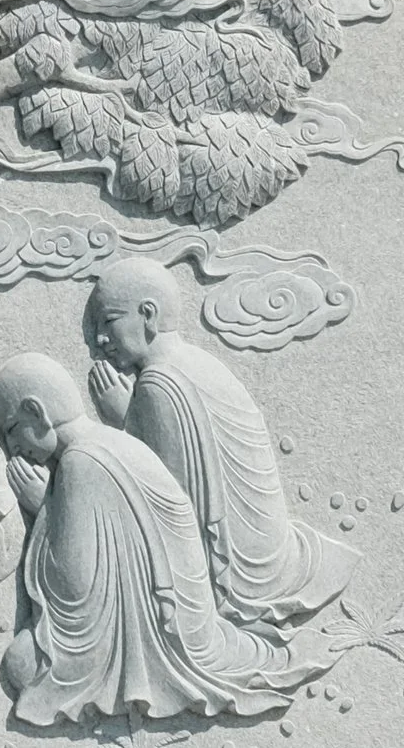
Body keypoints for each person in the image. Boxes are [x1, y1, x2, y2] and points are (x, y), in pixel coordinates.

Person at [0, 354, 313, 727]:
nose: (13, 449)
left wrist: (41, 508)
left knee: (22, 664)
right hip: (176, 618)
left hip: (166, 635)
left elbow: (75, 586)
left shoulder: (82, 461)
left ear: (36, 412)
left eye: (11, 430)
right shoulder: (109, 442)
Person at [84, 258, 355, 625]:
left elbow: (170, 501)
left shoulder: (159, 383)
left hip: (245, 574)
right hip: (271, 546)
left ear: (148, 314)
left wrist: (122, 420)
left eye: (108, 322)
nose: (100, 340)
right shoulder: (195, 362)